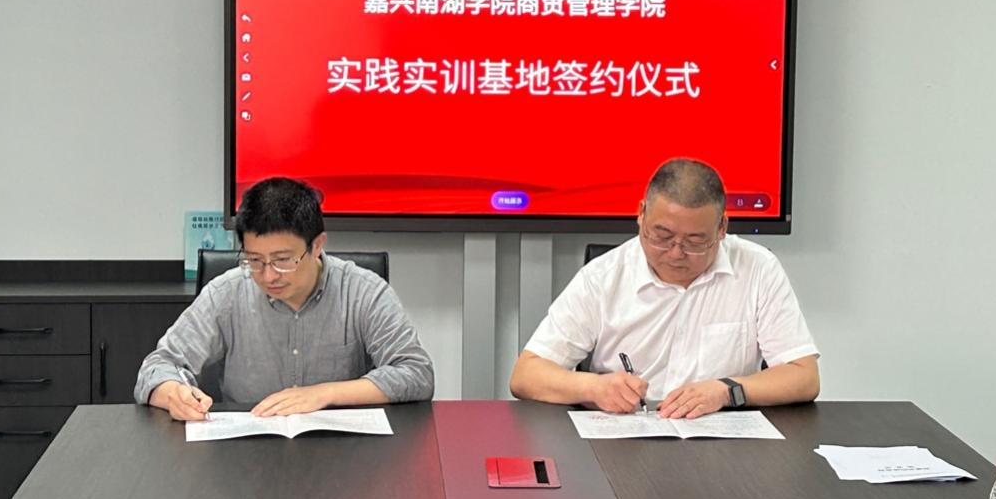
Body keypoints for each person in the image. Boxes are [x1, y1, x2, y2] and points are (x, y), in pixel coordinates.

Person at [510, 158, 819, 418]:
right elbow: (526, 375)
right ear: (641, 214)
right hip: (625, 442)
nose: (675, 253)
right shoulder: (603, 277)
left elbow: (804, 376)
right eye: (662, 236)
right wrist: (594, 387)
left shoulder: (758, 268)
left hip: (722, 442)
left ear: (722, 228)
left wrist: (726, 391)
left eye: (695, 241)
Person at [135, 177, 434, 420]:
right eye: (254, 260)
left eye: (282, 260)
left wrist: (325, 393)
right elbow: (157, 366)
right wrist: (173, 393)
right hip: (246, 453)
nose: (268, 276)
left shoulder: (363, 291)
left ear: (317, 245)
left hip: (341, 451)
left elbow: (416, 373)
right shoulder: (226, 293)